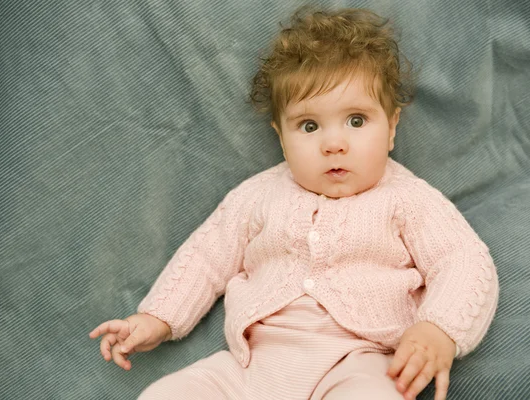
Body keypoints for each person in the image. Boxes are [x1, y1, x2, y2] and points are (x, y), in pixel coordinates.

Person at [89, 6, 499, 400]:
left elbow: (462, 260)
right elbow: (205, 257)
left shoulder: (408, 199)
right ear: (280, 135)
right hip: (250, 366)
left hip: (360, 361)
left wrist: (438, 328)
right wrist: (157, 318)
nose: (334, 144)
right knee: (165, 394)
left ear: (391, 127)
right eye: (308, 125)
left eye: (357, 120)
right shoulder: (257, 196)